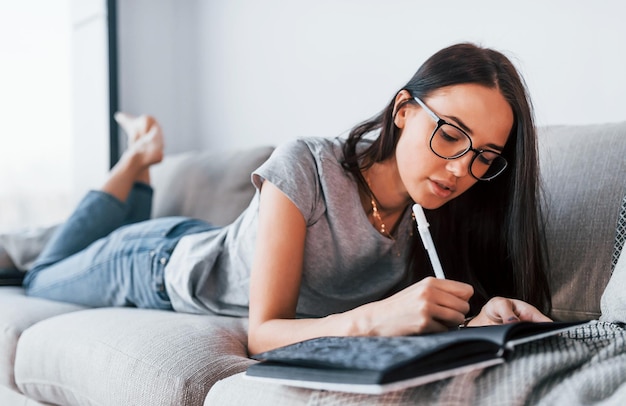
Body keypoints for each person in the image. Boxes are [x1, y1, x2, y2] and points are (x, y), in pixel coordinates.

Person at [23, 43, 552, 355]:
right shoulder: (308, 165)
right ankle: (137, 158)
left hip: (205, 240)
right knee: (39, 276)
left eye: (484, 155)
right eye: (451, 134)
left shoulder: (446, 212)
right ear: (404, 111)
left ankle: (139, 168)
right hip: (155, 264)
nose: (461, 168)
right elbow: (263, 334)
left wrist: (478, 321)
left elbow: (430, 318)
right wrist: (378, 316)